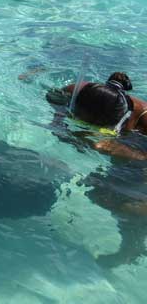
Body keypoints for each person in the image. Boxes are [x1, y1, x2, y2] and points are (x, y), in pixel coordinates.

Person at [46, 72, 147, 266]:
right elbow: (54, 100)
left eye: (102, 130)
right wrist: (59, 123)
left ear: (121, 120)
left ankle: (131, 247)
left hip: (140, 147)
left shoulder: (144, 120)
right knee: (96, 190)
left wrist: (122, 150)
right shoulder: (75, 92)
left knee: (130, 206)